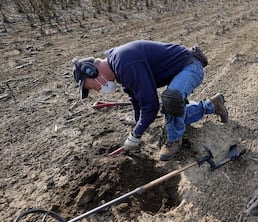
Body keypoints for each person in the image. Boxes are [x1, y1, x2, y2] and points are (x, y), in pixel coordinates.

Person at [72, 40, 228, 161]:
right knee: (174, 115)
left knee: (171, 100)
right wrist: (137, 120)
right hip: (179, 73)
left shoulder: (124, 63)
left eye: (90, 87)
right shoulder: (118, 67)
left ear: (91, 72)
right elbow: (135, 96)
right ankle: (213, 105)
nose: (96, 90)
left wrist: (136, 135)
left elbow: (151, 106)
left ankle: (174, 140)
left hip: (191, 66)